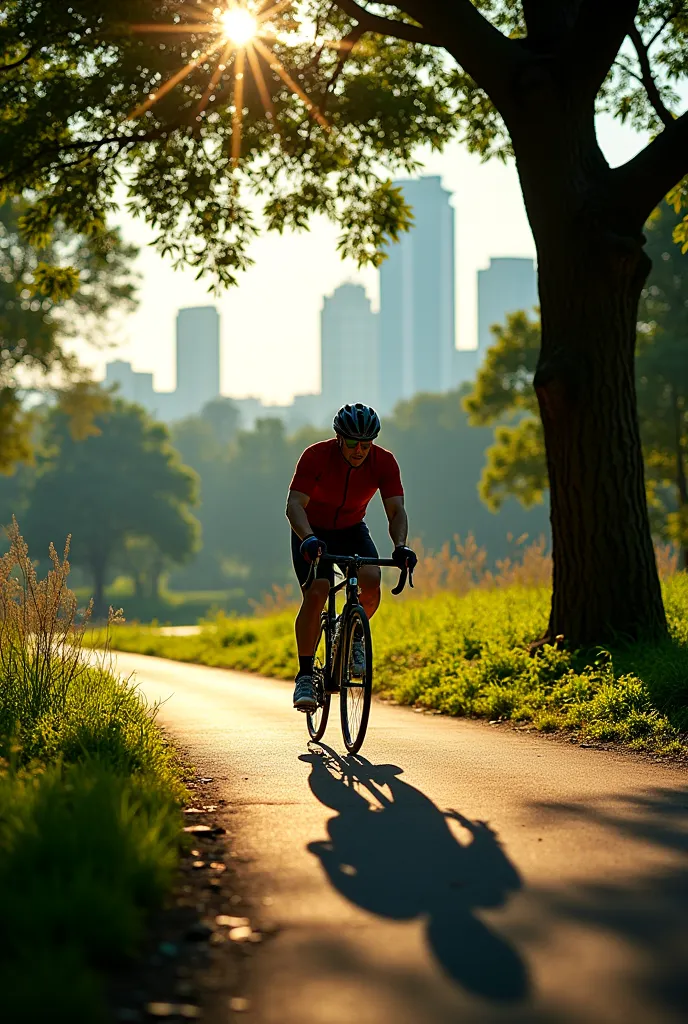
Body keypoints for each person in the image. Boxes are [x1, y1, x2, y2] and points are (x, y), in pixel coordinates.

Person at [286, 402, 417, 712]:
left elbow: (396, 510)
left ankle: (352, 636)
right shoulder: (316, 456)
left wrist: (400, 546)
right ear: (338, 438)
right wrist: (308, 538)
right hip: (311, 531)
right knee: (318, 591)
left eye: (367, 443)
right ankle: (305, 676)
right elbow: (294, 505)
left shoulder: (384, 463)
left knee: (371, 581)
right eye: (354, 443)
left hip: (351, 529)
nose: (360, 450)